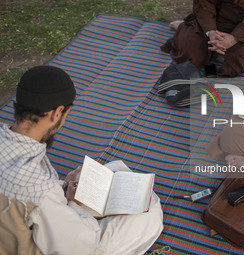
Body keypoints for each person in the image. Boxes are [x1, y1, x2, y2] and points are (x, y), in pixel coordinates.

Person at [0, 65, 163, 255]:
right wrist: (73, 205)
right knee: (149, 210)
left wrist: (61, 189)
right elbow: (79, 246)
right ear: (57, 113)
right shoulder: (39, 189)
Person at [161, 0, 244, 77]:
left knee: (235, 63)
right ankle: (183, 26)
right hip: (211, 23)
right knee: (191, 52)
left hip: (242, 30)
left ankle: (213, 49)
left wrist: (233, 38)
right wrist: (211, 32)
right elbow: (205, 4)